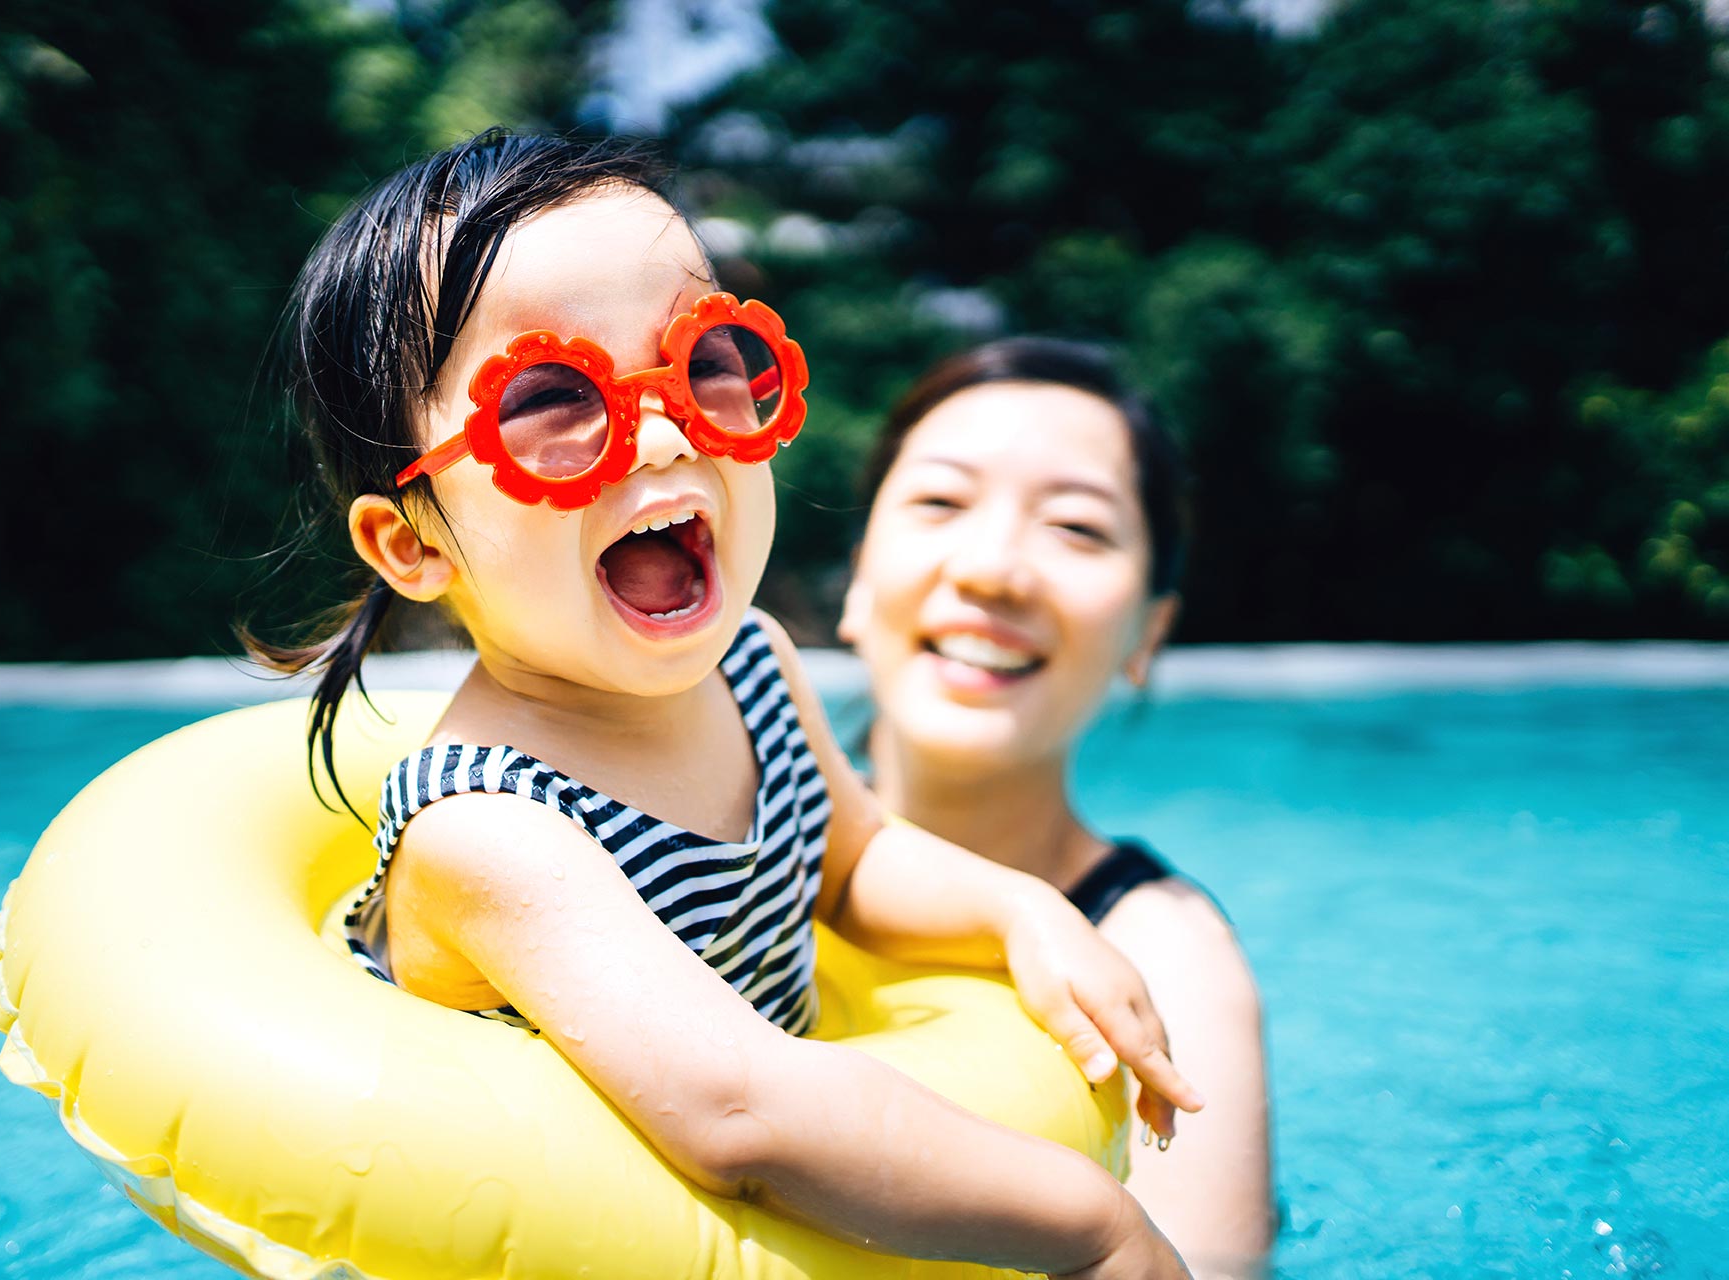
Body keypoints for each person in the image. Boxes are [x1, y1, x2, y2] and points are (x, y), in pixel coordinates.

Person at [247, 130, 1202, 1279]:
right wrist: (1094, 1222)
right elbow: (739, 1110)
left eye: (704, 357)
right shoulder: (490, 829)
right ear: (410, 542)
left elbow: (850, 862)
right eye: (550, 397)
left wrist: (1018, 910)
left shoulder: (751, 663)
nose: (659, 428)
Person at [839, 338, 1275, 1279]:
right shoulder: (708, 821)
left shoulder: (1166, 962)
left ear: (1148, 631)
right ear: (858, 577)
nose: (994, 571)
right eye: (941, 503)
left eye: (1077, 528)